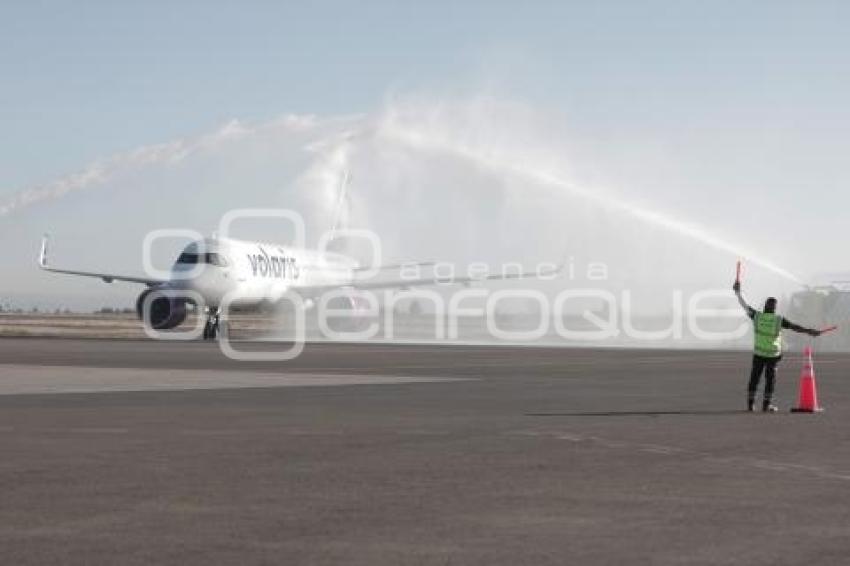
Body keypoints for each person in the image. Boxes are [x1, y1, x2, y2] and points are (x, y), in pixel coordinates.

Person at [733, 281, 822, 412]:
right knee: (770, 381)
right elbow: (795, 327)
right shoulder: (778, 320)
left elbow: (745, 305)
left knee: (754, 379)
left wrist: (738, 293)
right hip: (773, 356)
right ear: (775, 308)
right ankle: (766, 405)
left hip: (759, 354)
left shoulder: (757, 317)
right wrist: (810, 331)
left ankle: (751, 405)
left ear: (765, 306)